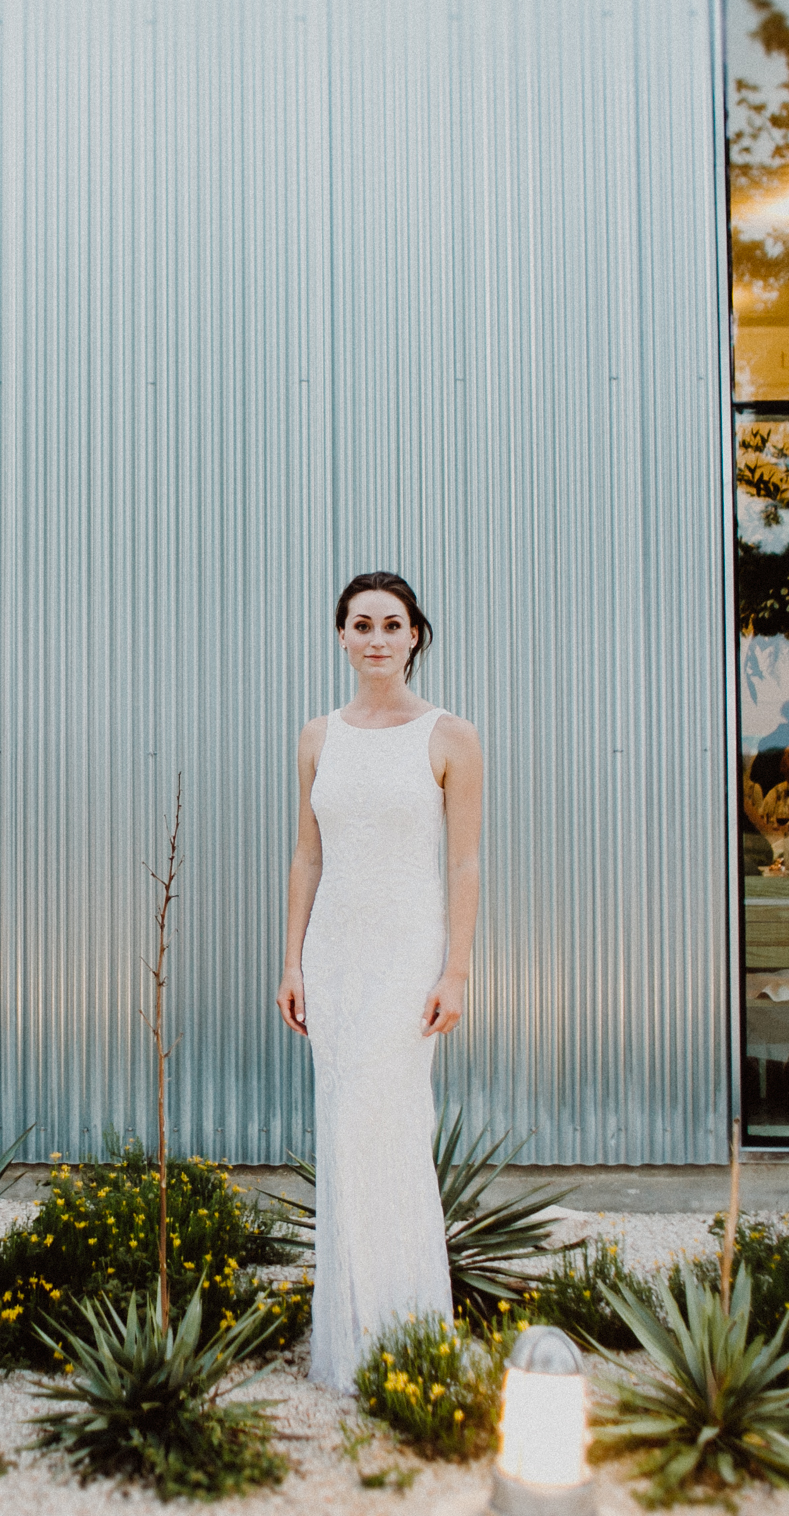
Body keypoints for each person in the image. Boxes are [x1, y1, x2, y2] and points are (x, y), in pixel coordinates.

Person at [275, 572, 484, 1392]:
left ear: (414, 636)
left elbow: (464, 860)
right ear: (341, 636)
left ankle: (408, 1326)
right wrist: (291, 960)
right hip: (333, 956)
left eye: (391, 624)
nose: (375, 637)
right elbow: (307, 854)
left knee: (392, 1126)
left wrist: (456, 968)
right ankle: (351, 1334)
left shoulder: (450, 735)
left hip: (406, 955)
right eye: (360, 623)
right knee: (344, 1132)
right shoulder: (318, 735)